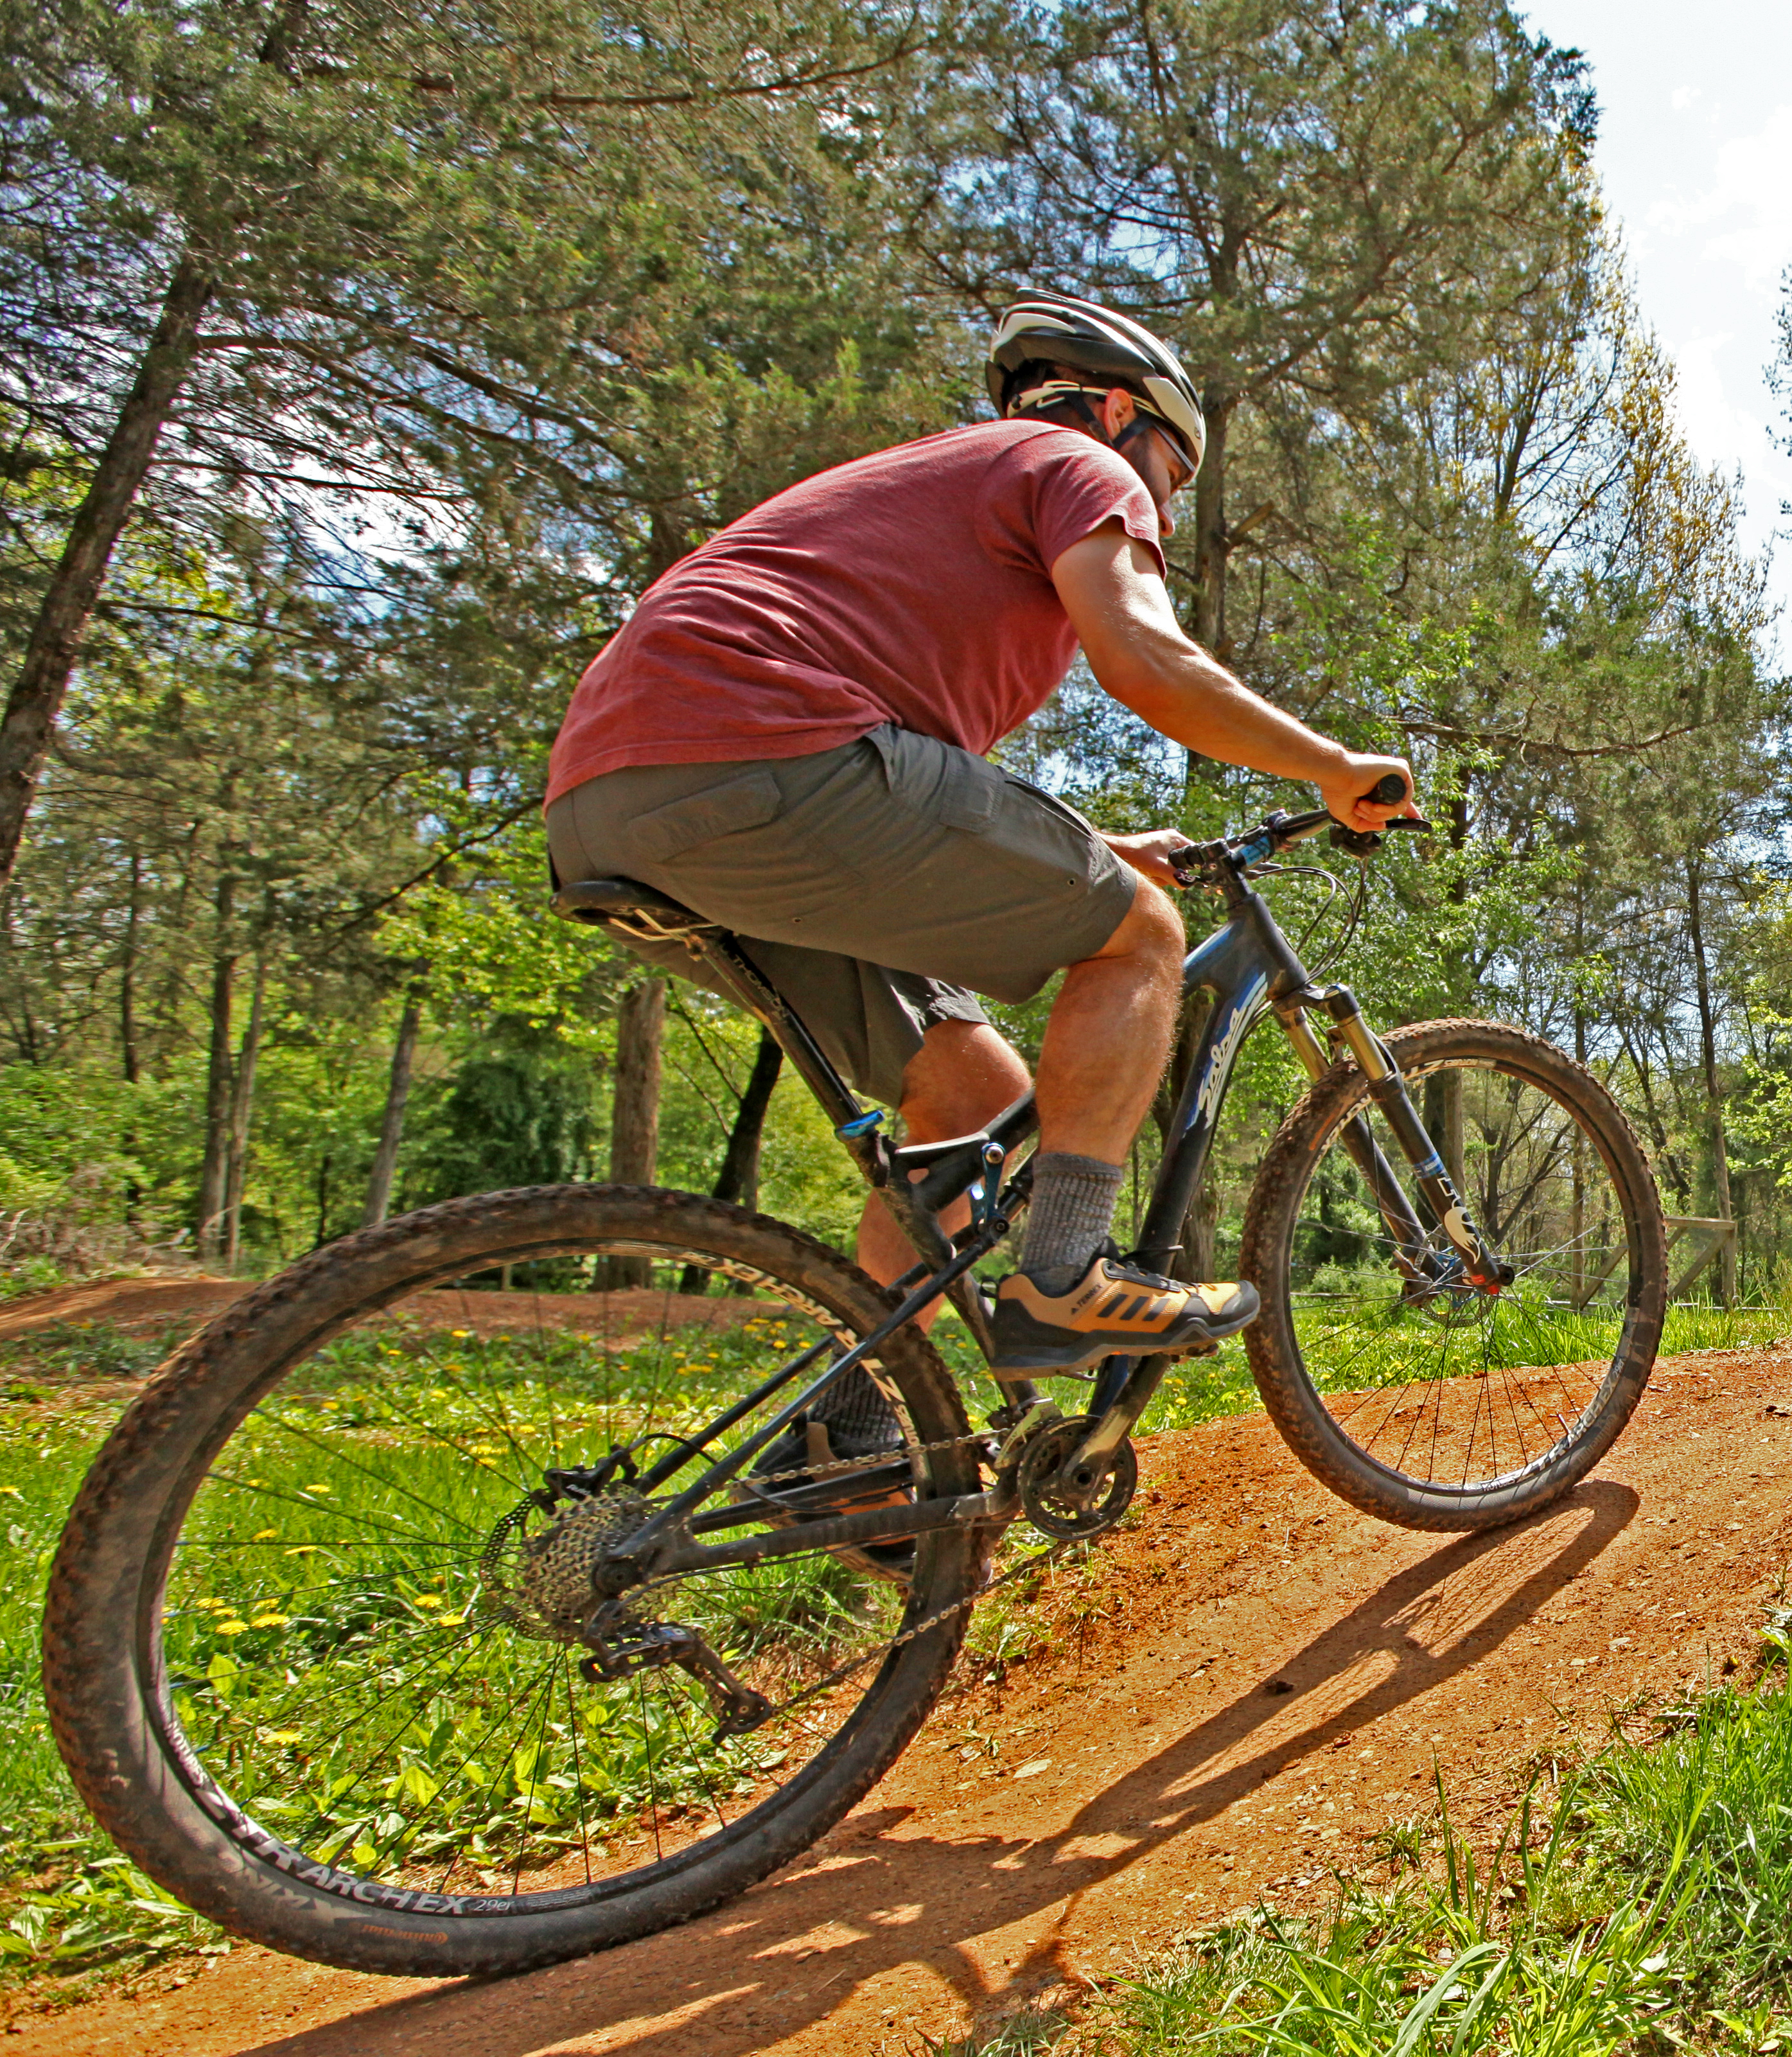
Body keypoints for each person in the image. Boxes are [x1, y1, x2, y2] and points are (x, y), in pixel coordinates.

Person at [543, 294, 1414, 1440]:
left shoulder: (925, 499)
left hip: (617, 798)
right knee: (1140, 933)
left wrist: (1102, 850)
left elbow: (906, 798)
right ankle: (1064, 1276)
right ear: (1118, 411)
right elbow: (1144, 655)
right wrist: (1330, 763)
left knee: (971, 1097)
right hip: (768, 750)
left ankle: (839, 1438)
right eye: (1171, 478)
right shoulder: (1071, 459)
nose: (1159, 511)